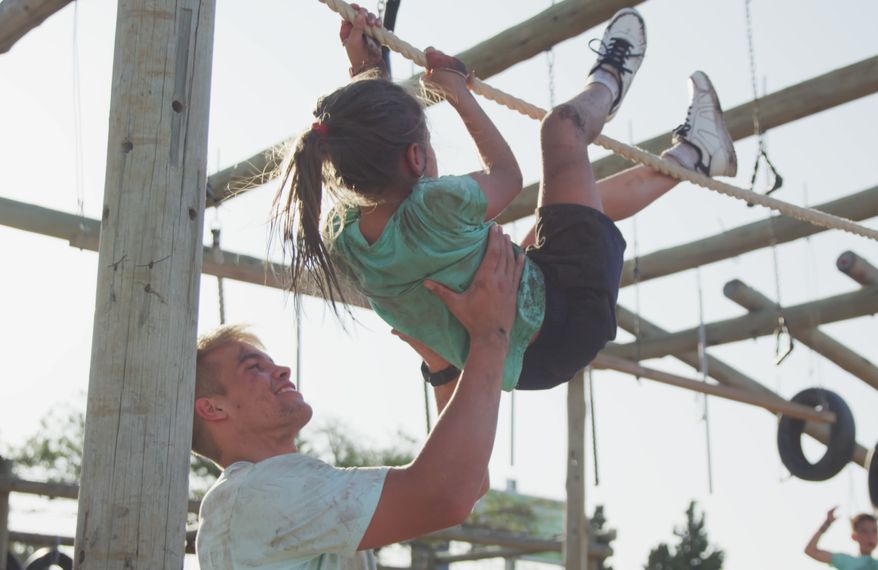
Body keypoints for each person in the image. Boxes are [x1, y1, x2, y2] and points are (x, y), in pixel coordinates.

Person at [273, 7, 738, 393]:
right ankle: (608, 80)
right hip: (565, 310)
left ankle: (697, 154)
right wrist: (458, 95)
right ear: (415, 157)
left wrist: (367, 72)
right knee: (562, 130)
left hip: (529, 358)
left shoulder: (343, 237)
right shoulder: (435, 208)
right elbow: (507, 177)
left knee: (568, 216)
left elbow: (384, 163)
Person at [194, 226, 524, 569]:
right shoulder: (257, 493)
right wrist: (489, 335)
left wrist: (443, 371)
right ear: (212, 408)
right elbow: (447, 496)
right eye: (253, 368)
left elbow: (466, 485)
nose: (282, 371)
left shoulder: (280, 495)